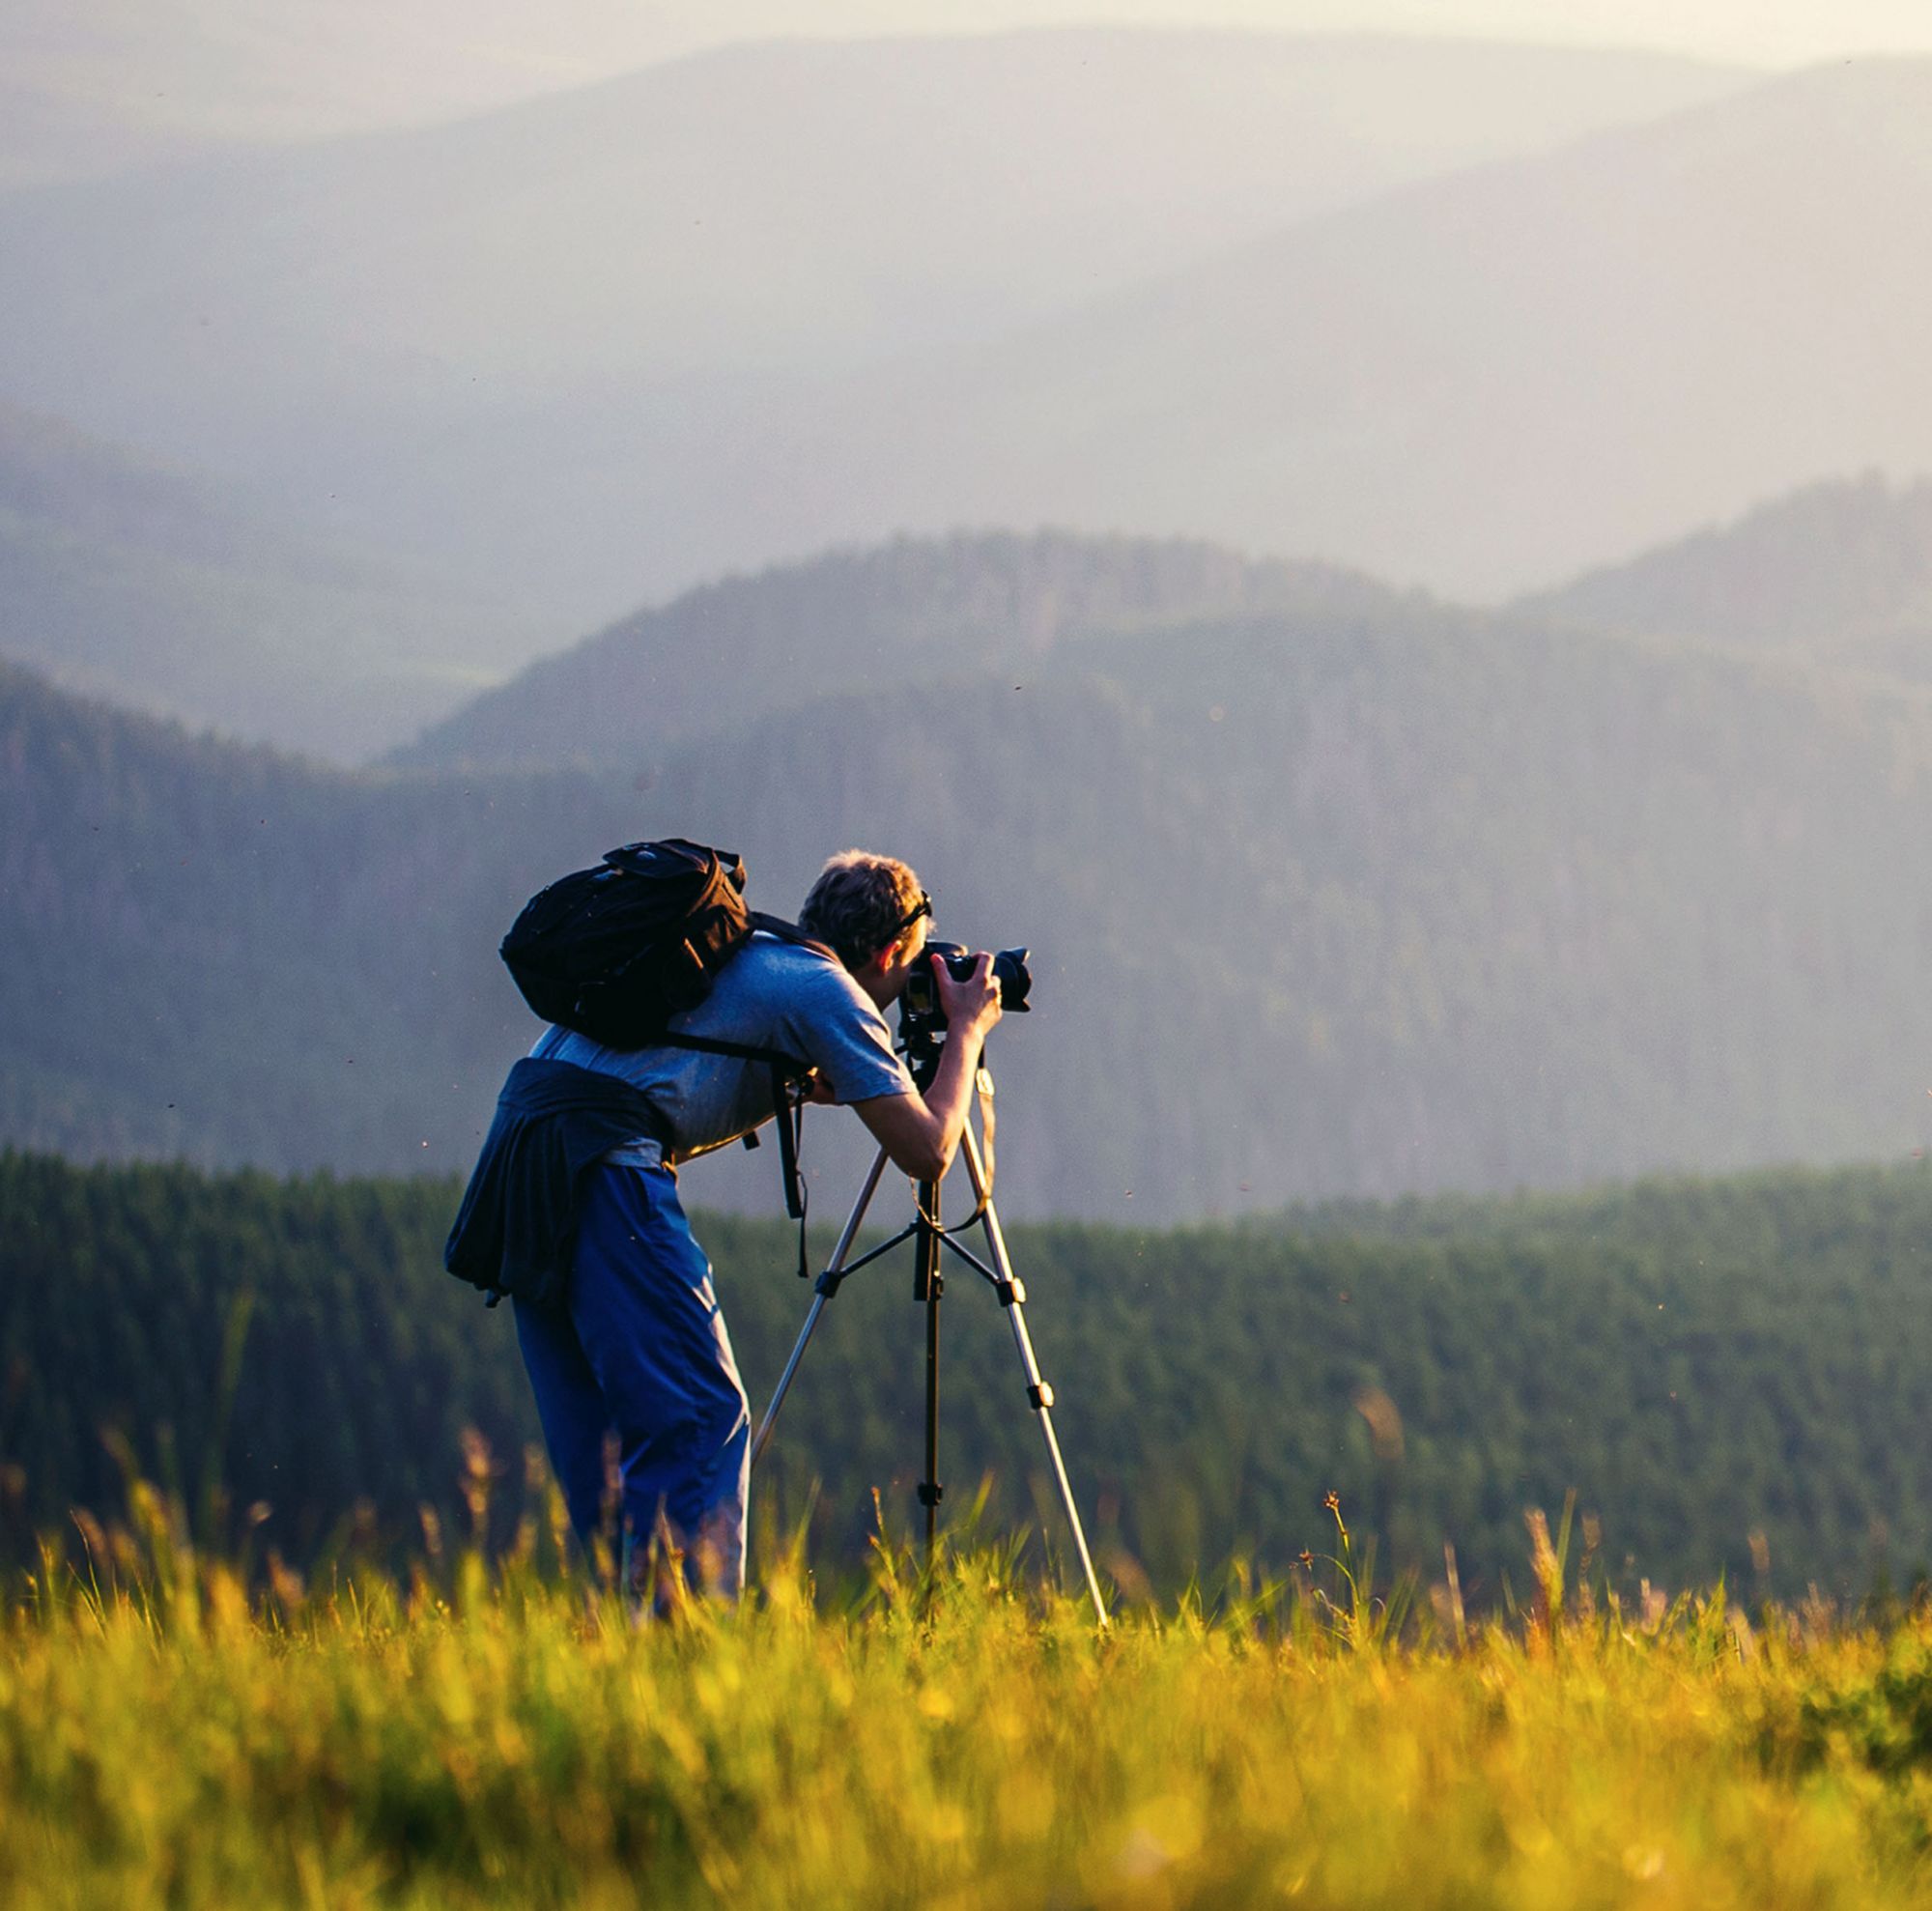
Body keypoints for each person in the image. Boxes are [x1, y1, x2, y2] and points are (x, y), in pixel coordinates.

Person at [453, 848, 1003, 1605]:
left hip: (522, 1153)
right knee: (698, 1415)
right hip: (600, 1158)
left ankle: (621, 1643)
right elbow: (928, 1151)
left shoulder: (753, 952)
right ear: (887, 954)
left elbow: (692, 1058)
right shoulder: (825, 989)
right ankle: (690, 1649)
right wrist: (967, 1029)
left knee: (604, 1439)